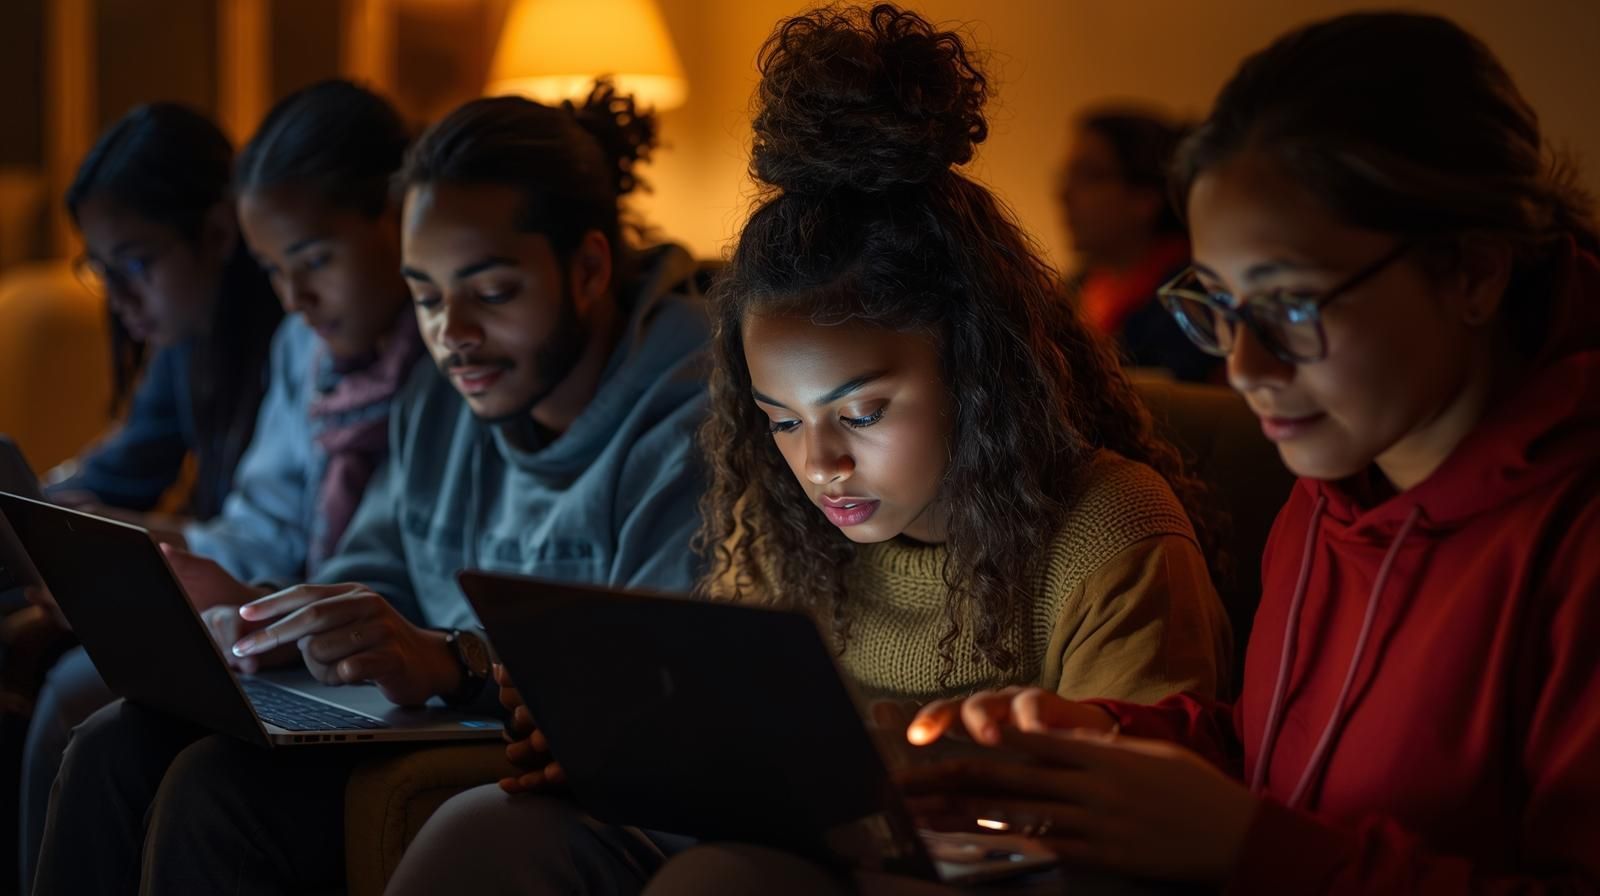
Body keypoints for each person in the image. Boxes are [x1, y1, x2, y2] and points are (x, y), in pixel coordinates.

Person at [657, 11, 1600, 895]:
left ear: (1473, 269)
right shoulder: (1334, 490)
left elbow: (1284, 827)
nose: (1246, 363)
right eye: (1220, 307)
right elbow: (1285, 759)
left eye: (1292, 306)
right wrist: (1100, 737)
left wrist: (1247, 846)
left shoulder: (1568, 538)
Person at [384, 6, 1230, 894]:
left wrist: (915, 770)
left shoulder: (1109, 531)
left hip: (982, 874)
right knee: (488, 829)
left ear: (980, 375)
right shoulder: (785, 521)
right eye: (781, 420)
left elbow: (1140, 818)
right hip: (807, 853)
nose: (818, 462)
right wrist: (625, 747)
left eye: (860, 413)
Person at [32, 81, 710, 896]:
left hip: (552, 756)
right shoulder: (446, 393)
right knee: (118, 742)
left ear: (590, 266)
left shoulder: (693, 414)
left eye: (492, 292)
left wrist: (455, 660)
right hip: (428, 707)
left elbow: (651, 690)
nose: (452, 336)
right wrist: (280, 614)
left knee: (218, 793)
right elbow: (377, 564)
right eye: (425, 296)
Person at [14, 79, 424, 894]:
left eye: (311, 262)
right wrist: (162, 554)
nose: (295, 300)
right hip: (277, 619)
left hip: (357, 650)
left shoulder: (445, 366)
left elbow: (379, 571)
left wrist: (199, 561)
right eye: (276, 271)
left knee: (94, 708)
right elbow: (257, 518)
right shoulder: (302, 350)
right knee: (97, 729)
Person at [47, 103, 282, 521]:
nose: (119, 298)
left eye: (136, 263)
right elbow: (122, 471)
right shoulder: (183, 342)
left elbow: (269, 545)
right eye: (101, 270)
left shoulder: (296, 344)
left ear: (218, 232)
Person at [1059, 107, 1217, 383]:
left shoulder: (1191, 300)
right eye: (1068, 175)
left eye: (1091, 176)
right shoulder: (1071, 291)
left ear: (1146, 197)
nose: (1065, 194)